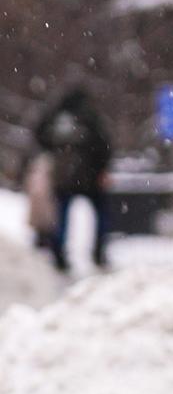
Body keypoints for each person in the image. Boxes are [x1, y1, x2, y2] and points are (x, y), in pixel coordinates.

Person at [33, 87, 113, 272]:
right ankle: (99, 253)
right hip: (90, 178)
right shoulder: (90, 117)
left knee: (61, 219)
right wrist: (102, 169)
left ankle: (59, 254)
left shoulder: (57, 117)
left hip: (63, 179)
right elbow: (104, 145)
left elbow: (40, 137)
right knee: (100, 216)